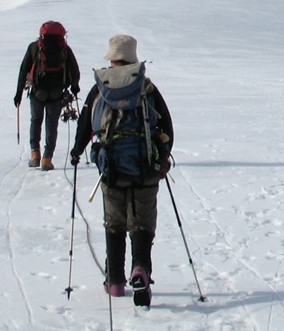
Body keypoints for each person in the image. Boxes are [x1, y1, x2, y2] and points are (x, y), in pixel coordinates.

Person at [70, 34, 173, 306]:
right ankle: (140, 269)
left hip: (112, 169)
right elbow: (167, 126)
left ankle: (115, 281)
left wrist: (76, 152)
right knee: (142, 223)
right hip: (146, 168)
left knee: (114, 223)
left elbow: (85, 125)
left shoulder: (101, 88)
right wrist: (163, 155)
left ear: (112, 58)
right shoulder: (146, 87)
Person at [14, 20, 81, 171]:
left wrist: (18, 93)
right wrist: (75, 87)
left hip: (38, 92)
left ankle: (34, 155)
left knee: (35, 120)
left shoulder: (34, 48)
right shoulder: (64, 49)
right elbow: (74, 70)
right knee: (52, 124)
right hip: (57, 93)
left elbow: (23, 70)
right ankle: (47, 159)